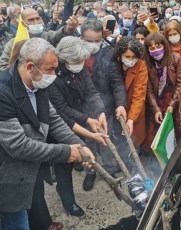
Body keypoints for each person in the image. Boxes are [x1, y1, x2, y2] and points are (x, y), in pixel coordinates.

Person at [0, 38, 95, 230]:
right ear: (30, 66)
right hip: (7, 175)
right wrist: (66, 152)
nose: (54, 75)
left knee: (35, 200)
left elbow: (54, 120)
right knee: (17, 222)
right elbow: (19, 146)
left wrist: (80, 146)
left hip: (31, 165)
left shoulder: (37, 83)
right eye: (50, 69)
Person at [47, 36, 108, 216]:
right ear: (64, 59)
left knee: (88, 150)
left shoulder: (80, 69)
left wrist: (100, 112)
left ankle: (90, 173)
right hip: (60, 122)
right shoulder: (52, 75)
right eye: (77, 61)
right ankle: (68, 200)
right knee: (64, 163)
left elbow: (91, 91)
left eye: (83, 60)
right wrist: (88, 120)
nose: (81, 63)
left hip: (81, 116)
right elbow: (61, 109)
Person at [80, 20, 128, 189]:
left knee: (107, 138)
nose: (94, 45)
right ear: (81, 38)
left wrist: (121, 104)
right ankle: (91, 171)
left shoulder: (109, 53)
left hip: (105, 106)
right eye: (89, 40)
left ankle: (109, 168)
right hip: (82, 108)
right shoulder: (76, 54)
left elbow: (117, 83)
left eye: (97, 40)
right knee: (88, 141)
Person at [0, 8, 78, 72]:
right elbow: (2, 67)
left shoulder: (46, 36)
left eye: (37, 18)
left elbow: (56, 35)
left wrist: (68, 29)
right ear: (23, 23)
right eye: (31, 20)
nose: (36, 22)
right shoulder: (13, 44)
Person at [144, 32, 181, 148]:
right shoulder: (147, 64)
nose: (156, 50)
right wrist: (155, 109)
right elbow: (149, 90)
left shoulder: (176, 59)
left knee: (176, 132)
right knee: (156, 137)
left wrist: (172, 104)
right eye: (152, 48)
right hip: (156, 104)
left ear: (164, 46)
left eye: (158, 47)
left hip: (173, 102)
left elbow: (180, 84)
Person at [114, 37, 148, 148]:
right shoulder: (113, 64)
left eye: (133, 57)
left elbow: (139, 96)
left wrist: (131, 119)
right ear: (120, 55)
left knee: (133, 143)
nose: (130, 60)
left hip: (133, 111)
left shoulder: (141, 66)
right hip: (115, 108)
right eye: (127, 57)